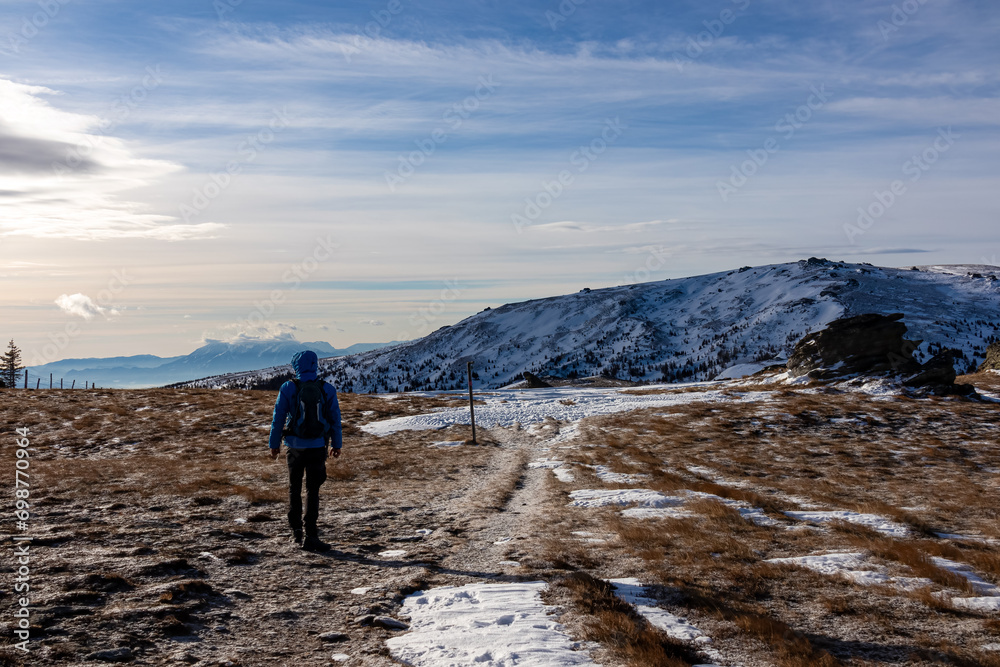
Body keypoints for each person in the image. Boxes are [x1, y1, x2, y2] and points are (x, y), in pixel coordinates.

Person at [268, 350, 342, 552]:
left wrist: (274, 444)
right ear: (315, 365)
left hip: (294, 446)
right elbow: (335, 419)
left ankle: (295, 533)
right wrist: (337, 445)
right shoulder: (327, 389)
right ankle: (311, 535)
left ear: (296, 366)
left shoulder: (288, 387)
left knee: (294, 488)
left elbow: (278, 418)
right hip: (318, 446)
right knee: (313, 490)